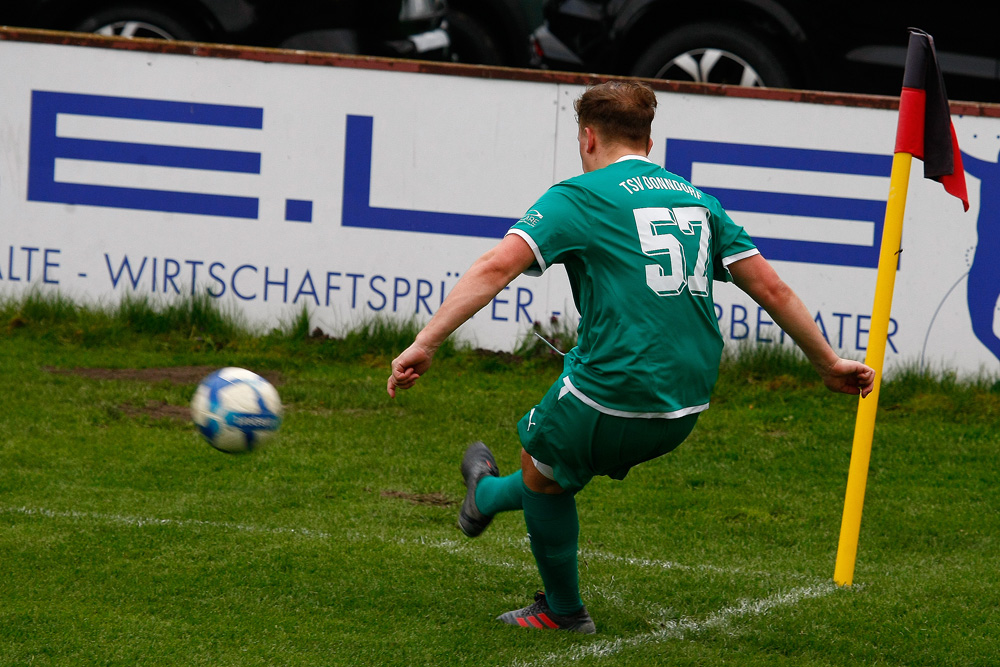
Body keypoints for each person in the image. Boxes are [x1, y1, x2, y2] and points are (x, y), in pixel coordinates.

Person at [387, 80, 875, 634]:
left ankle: (562, 610)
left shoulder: (579, 196)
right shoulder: (698, 201)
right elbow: (773, 290)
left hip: (615, 389)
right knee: (552, 465)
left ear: (588, 136)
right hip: (688, 402)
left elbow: (495, 267)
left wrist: (425, 342)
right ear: (648, 137)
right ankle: (483, 497)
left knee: (542, 467)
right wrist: (828, 363)